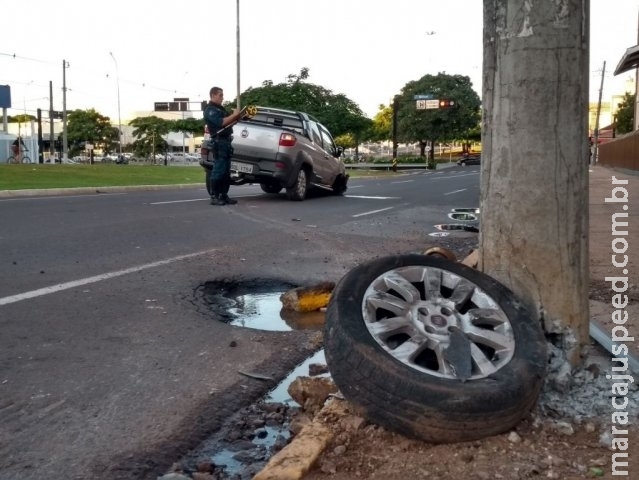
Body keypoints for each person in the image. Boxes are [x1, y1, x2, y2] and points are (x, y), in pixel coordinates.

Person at [203, 87, 243, 205]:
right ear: (213, 95)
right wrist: (233, 115)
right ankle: (214, 196)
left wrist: (238, 117)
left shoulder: (220, 109)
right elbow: (221, 122)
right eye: (220, 95)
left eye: (222, 95)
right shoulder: (210, 110)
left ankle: (223, 195)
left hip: (226, 141)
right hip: (219, 142)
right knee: (218, 170)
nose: (222, 97)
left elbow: (228, 123)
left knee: (226, 171)